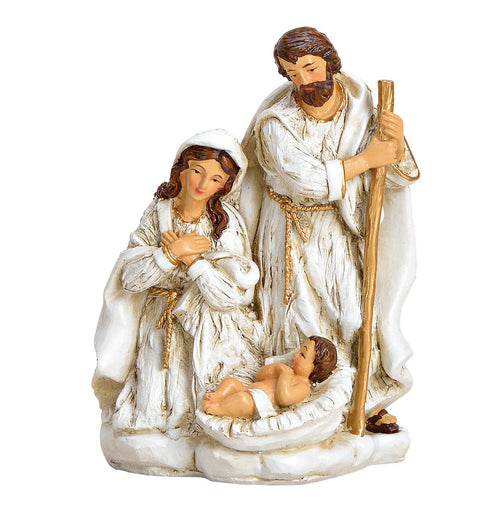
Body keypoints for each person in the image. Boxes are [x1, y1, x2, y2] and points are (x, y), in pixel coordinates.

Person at [240, 27, 420, 431]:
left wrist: (395, 143)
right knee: (295, 316)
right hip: (289, 232)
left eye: (310, 68)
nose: (304, 81)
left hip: (340, 229)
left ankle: (364, 399)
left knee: (352, 314)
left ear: (329, 61)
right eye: (293, 74)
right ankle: (293, 399)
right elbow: (304, 180)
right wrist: (366, 159)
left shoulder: (362, 109)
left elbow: (398, 176)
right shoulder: (276, 123)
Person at [93, 129, 262, 435]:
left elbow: (231, 295)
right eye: (197, 171)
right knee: (153, 399)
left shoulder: (226, 224)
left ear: (226, 185)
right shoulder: (158, 214)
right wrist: (169, 254)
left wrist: (194, 262)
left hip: (210, 326)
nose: (202, 184)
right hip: (160, 320)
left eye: (215, 179)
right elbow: (129, 278)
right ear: (181, 169)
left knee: (206, 395)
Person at [203, 336, 337, 419]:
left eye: (302, 355)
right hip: (248, 389)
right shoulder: (288, 371)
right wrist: (277, 368)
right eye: (299, 350)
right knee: (230, 382)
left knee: (243, 399)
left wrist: (284, 375)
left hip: (257, 402)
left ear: (315, 368)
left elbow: (284, 398)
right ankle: (219, 396)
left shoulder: (303, 387)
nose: (295, 355)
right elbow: (260, 376)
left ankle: (220, 408)